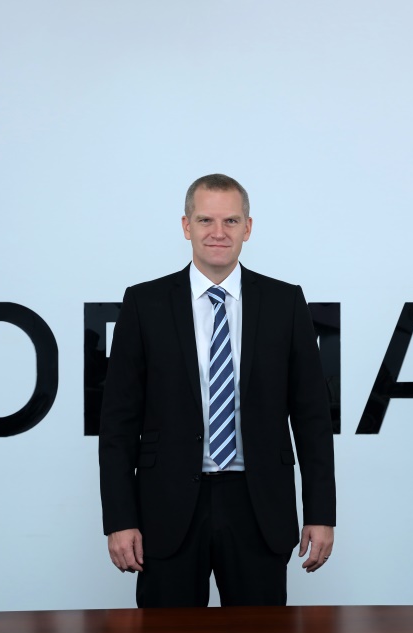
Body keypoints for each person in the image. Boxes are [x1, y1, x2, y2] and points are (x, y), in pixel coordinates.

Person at [99, 174, 336, 607]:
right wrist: (119, 518)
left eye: (231, 221)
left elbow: (313, 419)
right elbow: (118, 424)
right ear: (186, 225)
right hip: (167, 508)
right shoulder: (144, 303)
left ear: (248, 228)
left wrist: (320, 512)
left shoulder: (285, 303)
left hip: (258, 506)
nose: (218, 232)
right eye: (205, 220)